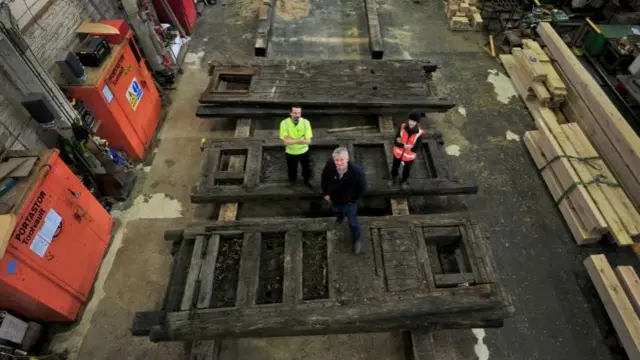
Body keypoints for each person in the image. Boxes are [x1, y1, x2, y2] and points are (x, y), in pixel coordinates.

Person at [321, 147, 367, 254]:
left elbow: (363, 187)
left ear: (347, 159)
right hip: (335, 199)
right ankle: (340, 219)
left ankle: (357, 239)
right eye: (336, 160)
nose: (339, 163)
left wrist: (352, 199)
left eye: (341, 160)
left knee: (353, 223)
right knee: (337, 211)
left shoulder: (356, 171)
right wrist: (325, 193)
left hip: (349, 202)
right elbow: (323, 178)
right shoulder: (329, 166)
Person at [279, 105, 313, 188]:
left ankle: (306, 181)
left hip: (304, 151)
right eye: (295, 113)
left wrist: (292, 140)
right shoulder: (284, 123)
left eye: (299, 113)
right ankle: (293, 182)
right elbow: (286, 142)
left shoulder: (306, 122)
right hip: (290, 152)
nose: (297, 115)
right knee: (291, 169)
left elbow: (308, 141)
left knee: (306, 168)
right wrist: (300, 140)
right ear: (290, 113)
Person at [391, 112, 425, 187]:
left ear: (417, 122)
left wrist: (403, 144)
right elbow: (396, 142)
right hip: (398, 152)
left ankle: (404, 180)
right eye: (410, 120)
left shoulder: (420, 133)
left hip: (409, 156)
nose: (411, 122)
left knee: (407, 170)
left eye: (414, 121)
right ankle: (394, 178)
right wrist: (405, 146)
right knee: (394, 167)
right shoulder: (402, 127)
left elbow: (416, 148)